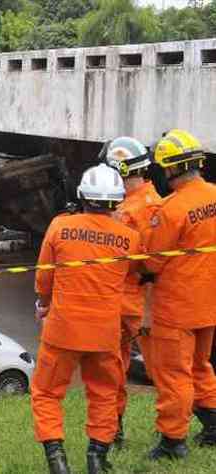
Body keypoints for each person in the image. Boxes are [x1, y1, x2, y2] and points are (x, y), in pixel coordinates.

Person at [31, 164, 141, 474]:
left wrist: (43, 303)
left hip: (62, 330)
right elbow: (135, 273)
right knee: (104, 393)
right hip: (105, 333)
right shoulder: (129, 239)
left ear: (81, 195)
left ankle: (57, 460)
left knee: (47, 393)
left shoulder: (58, 226)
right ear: (117, 200)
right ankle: (97, 458)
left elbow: (44, 278)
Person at [142, 129, 216, 460]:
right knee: (201, 365)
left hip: (177, 307)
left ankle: (173, 441)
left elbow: (153, 261)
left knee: (173, 373)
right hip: (209, 302)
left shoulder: (170, 210)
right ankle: (213, 426)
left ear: (170, 169)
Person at [100, 136, 162, 447]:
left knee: (118, 369)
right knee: (120, 368)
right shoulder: (145, 202)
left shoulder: (136, 210)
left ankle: (117, 432)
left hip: (128, 300)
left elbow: (150, 267)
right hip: (129, 300)